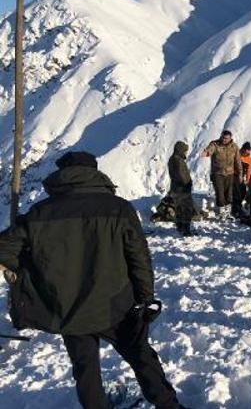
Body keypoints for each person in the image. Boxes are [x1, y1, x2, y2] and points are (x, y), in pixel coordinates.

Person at [0, 152, 183, 409]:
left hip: (69, 308)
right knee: (142, 357)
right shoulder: (118, 208)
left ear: (61, 175)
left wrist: (33, 268)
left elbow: (5, 250)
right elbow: (139, 258)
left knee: (85, 369)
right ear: (94, 173)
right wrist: (146, 298)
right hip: (115, 305)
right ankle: (169, 406)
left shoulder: (40, 213)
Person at [202, 130, 242, 219]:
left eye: (226, 138)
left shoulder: (234, 147)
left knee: (229, 194)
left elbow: (238, 161)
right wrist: (206, 152)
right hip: (218, 173)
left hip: (230, 173)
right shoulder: (215, 144)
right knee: (220, 193)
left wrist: (240, 174)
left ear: (230, 138)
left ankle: (228, 212)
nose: (224, 140)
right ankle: (222, 212)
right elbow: (210, 149)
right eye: (223, 137)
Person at [168, 141, 194, 236]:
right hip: (182, 188)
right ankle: (186, 230)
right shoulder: (178, 160)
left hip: (175, 188)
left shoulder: (172, 159)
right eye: (185, 150)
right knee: (187, 208)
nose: (186, 152)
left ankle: (180, 227)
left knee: (179, 208)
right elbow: (182, 175)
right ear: (180, 150)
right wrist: (188, 184)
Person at [232, 142, 251, 218]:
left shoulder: (249, 159)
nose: (247, 152)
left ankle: (238, 208)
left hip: (242, 178)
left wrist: (248, 181)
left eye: (248, 151)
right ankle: (235, 210)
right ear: (243, 149)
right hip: (234, 176)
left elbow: (249, 171)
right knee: (236, 193)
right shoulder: (236, 155)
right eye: (245, 150)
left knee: (243, 193)